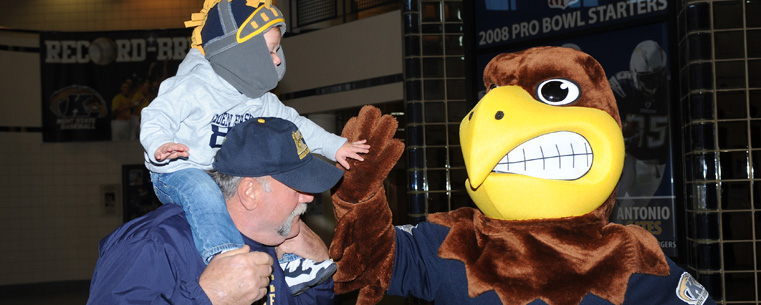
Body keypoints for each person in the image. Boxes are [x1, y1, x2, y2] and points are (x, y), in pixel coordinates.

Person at [139, 0, 369, 294]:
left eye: (277, 51)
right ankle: (228, 258)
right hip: (177, 172)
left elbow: (296, 125)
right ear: (240, 52)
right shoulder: (193, 86)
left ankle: (291, 262)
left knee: (274, 205)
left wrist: (335, 147)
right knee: (203, 192)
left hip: (220, 173)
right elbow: (155, 115)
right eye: (270, 50)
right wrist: (160, 145)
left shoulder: (258, 98)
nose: (276, 60)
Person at [88, 117, 343, 304]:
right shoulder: (153, 244)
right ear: (250, 192)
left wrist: (317, 276)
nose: (308, 197)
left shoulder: (273, 240)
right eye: (297, 186)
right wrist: (207, 297)